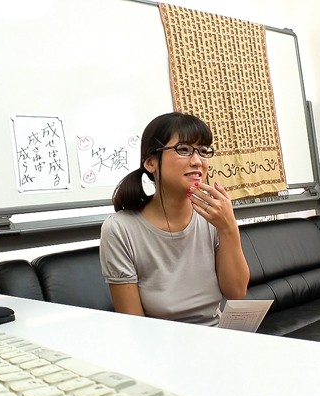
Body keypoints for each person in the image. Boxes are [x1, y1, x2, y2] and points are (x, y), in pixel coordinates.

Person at [99, 112, 250, 325]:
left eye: (203, 151)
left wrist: (229, 228)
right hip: (158, 340)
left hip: (215, 335)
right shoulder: (120, 229)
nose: (197, 161)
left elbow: (236, 292)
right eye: (184, 150)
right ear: (151, 163)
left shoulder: (212, 218)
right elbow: (134, 324)